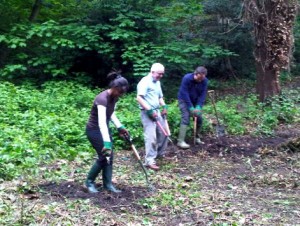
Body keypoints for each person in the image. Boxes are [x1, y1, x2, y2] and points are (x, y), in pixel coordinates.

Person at [85, 71, 130, 193]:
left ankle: (108, 184)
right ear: (114, 88)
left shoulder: (114, 97)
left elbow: (111, 114)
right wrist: (107, 143)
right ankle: (88, 182)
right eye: (120, 92)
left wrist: (120, 127)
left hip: (103, 129)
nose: (121, 95)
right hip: (94, 130)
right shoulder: (102, 99)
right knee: (104, 156)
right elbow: (101, 123)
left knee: (110, 156)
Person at [136, 63, 168, 171]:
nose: (161, 76)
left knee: (164, 133)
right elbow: (139, 98)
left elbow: (159, 97)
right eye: (159, 74)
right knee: (151, 137)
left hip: (157, 111)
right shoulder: (144, 82)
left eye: (162, 74)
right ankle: (149, 160)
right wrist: (149, 110)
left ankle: (159, 154)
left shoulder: (157, 82)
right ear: (152, 71)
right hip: (147, 112)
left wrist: (164, 106)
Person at [177, 66, 208, 149]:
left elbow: (203, 95)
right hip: (183, 100)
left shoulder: (205, 81)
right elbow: (184, 93)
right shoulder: (186, 78)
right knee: (186, 117)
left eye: (202, 79)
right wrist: (191, 107)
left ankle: (197, 137)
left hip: (195, 101)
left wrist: (198, 106)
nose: (200, 80)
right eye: (199, 78)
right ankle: (180, 141)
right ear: (195, 74)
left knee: (199, 118)